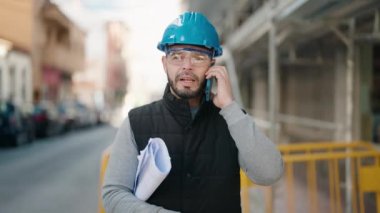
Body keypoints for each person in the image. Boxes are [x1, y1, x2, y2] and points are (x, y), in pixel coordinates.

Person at [102, 11, 283, 213]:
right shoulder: (136, 122)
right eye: (177, 57)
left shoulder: (233, 119)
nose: (187, 66)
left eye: (198, 57)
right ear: (165, 64)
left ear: (212, 66)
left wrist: (230, 107)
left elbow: (270, 173)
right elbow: (114, 195)